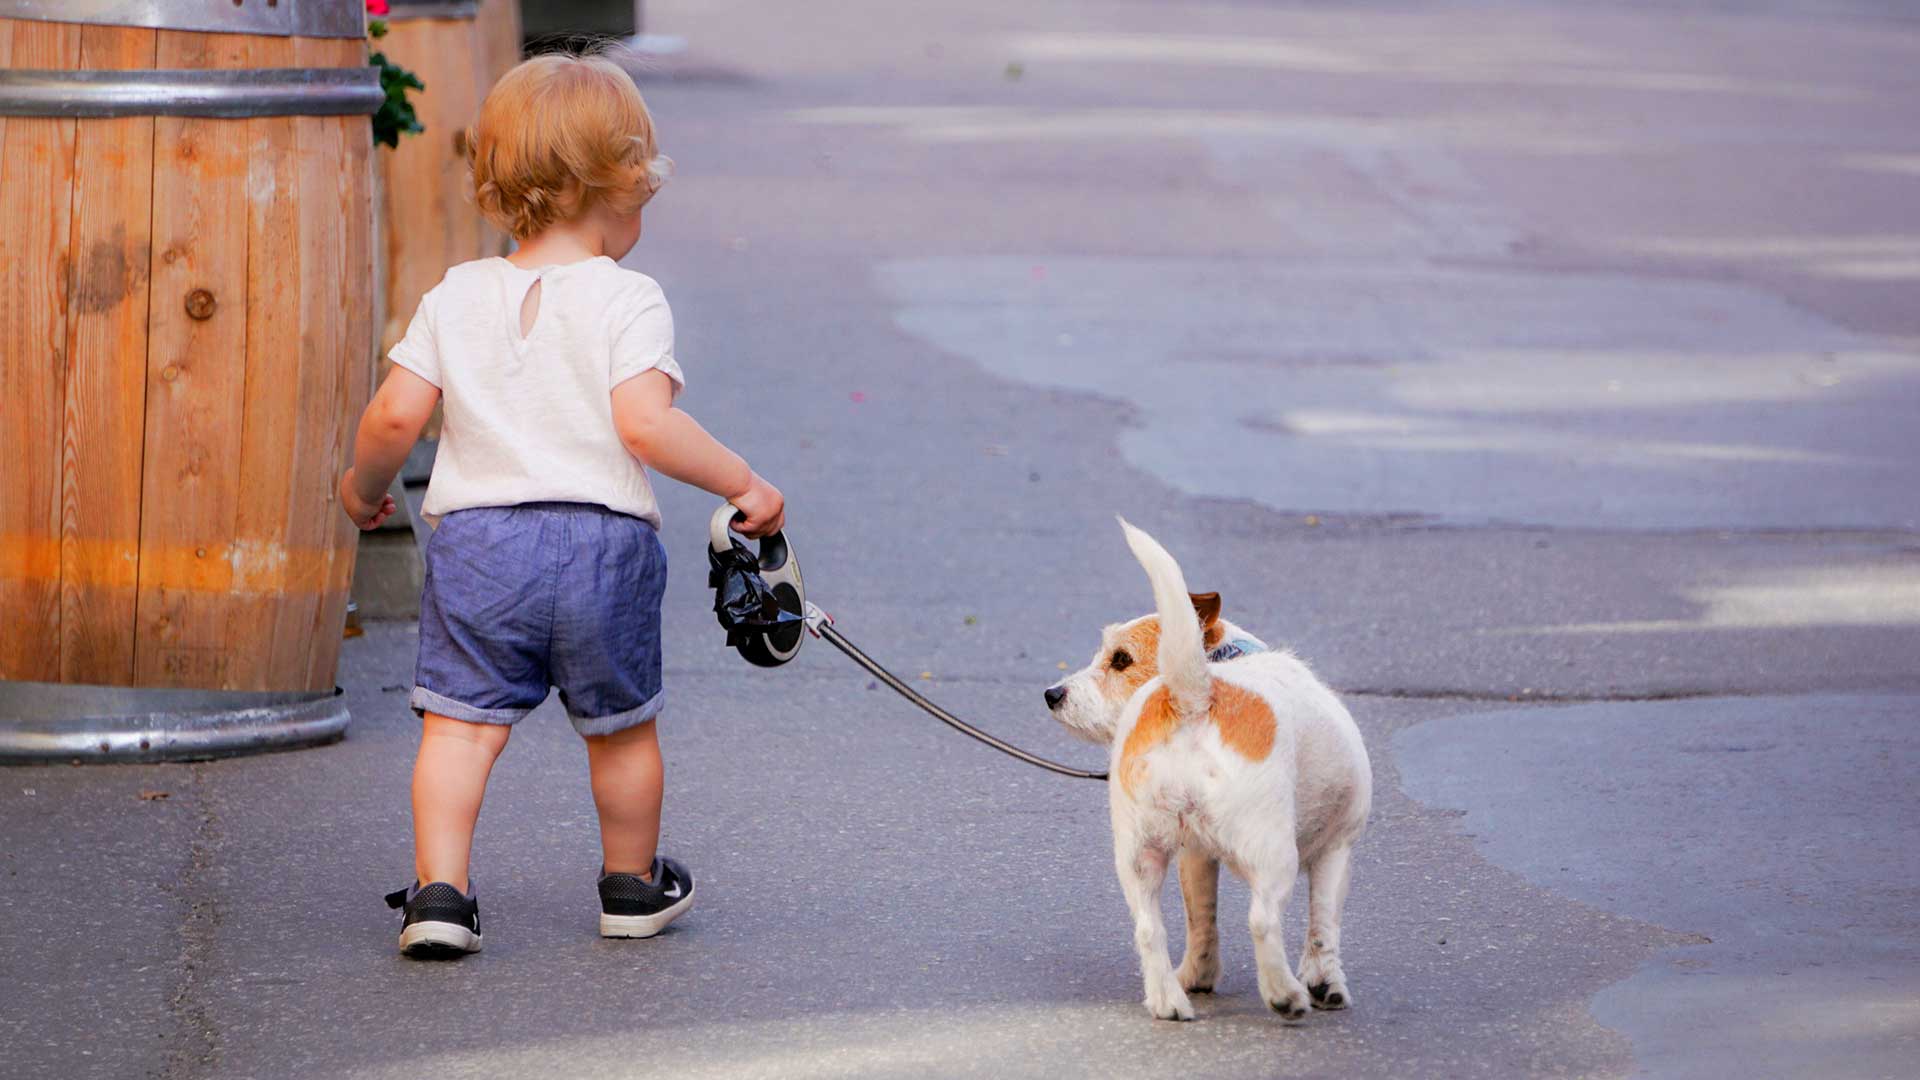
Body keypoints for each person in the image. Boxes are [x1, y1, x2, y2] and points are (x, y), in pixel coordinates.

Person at [339, 52, 784, 957]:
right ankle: (630, 883)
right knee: (620, 735)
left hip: (478, 548)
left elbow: (394, 413)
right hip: (601, 547)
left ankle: (439, 897)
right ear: (618, 187)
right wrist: (743, 482)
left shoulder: (457, 294)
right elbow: (646, 426)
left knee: (460, 732)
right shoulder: (629, 299)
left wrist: (361, 491)